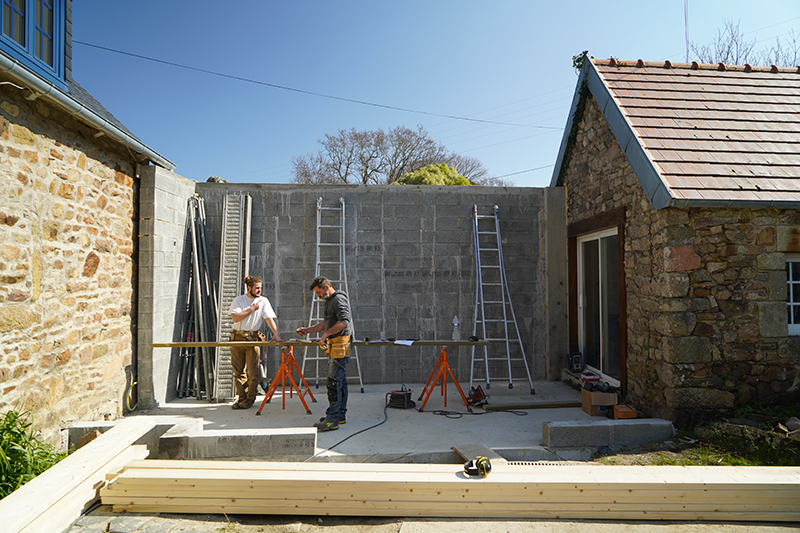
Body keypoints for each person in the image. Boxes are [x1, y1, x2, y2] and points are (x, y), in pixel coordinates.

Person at [296, 276, 352, 431]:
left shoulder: (337, 299)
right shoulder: (329, 301)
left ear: (327, 287)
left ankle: (332, 420)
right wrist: (307, 330)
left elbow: (344, 321)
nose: (318, 296)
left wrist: (325, 335)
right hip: (336, 346)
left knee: (333, 382)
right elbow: (326, 324)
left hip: (340, 345)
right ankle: (339, 415)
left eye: (319, 292)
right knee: (339, 382)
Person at [229, 276, 282, 409]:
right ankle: (241, 398)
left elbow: (269, 319)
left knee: (253, 372)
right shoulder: (239, 300)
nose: (259, 290)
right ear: (249, 288)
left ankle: (250, 399)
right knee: (238, 371)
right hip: (237, 338)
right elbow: (235, 318)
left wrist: (275, 333)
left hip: (253, 339)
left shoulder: (263, 301)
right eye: (257, 288)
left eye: (260, 288)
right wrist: (251, 309)